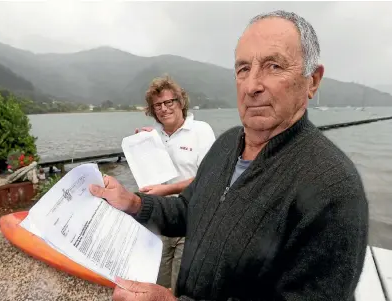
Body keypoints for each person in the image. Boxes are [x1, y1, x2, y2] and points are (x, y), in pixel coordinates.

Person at [90, 10, 369, 301]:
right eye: (243, 69)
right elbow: (188, 210)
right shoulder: (226, 145)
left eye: (274, 66)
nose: (252, 86)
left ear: (312, 80)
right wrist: (134, 203)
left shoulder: (334, 188)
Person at [134, 75, 216, 292]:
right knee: (157, 283)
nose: (163, 109)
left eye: (168, 102)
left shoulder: (201, 131)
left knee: (181, 286)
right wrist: (140, 145)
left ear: (180, 102)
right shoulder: (153, 136)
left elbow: (208, 177)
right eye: (157, 105)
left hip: (190, 219)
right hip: (158, 221)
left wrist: (167, 189)